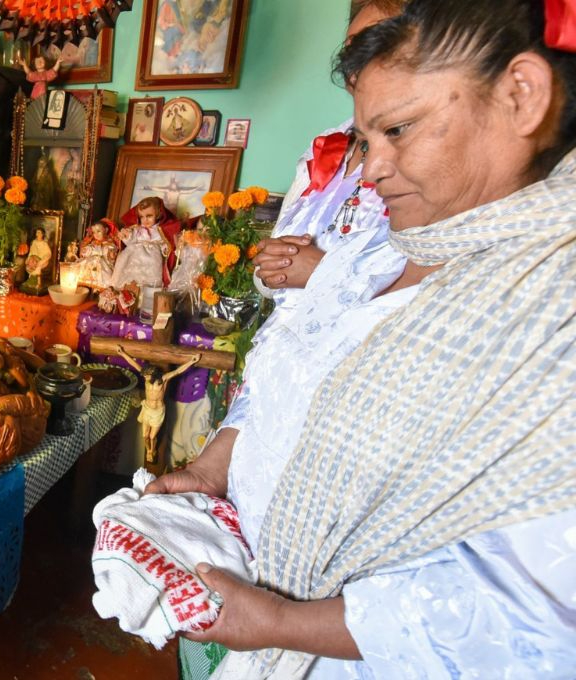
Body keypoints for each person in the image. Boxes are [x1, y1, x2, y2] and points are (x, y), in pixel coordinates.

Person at [149, 0, 576, 677]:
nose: (372, 170)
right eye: (367, 138)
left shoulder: (550, 311)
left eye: (398, 130)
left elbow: (536, 620)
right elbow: (286, 380)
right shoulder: (376, 253)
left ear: (520, 95)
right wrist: (213, 470)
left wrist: (284, 623)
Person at [117, 347, 200, 471]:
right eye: (145, 374)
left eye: (147, 375)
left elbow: (177, 372)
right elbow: (133, 364)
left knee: (152, 437)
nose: (145, 376)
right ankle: (149, 450)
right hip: (147, 409)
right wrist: (122, 353)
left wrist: (192, 361)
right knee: (145, 436)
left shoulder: (163, 380)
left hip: (157, 412)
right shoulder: (146, 378)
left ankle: (152, 450)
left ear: (153, 375)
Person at [109, 197, 173, 289]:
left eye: (149, 216)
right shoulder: (137, 229)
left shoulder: (159, 230)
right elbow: (130, 241)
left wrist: (165, 248)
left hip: (152, 255)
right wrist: (126, 236)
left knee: (150, 273)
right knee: (125, 267)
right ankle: (122, 288)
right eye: (142, 217)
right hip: (134, 252)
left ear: (158, 214)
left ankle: (146, 290)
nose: (145, 220)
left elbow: (164, 243)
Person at [78, 218, 119, 291]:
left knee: (99, 262)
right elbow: (89, 249)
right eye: (94, 232)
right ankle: (86, 286)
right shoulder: (93, 242)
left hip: (104, 265)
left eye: (98, 231)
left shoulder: (110, 243)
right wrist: (86, 250)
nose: (96, 234)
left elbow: (107, 252)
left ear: (106, 230)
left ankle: (98, 289)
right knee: (82, 264)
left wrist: (95, 251)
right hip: (91, 263)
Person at [22, 227, 52, 294]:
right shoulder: (34, 242)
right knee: (29, 264)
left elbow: (48, 254)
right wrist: (28, 258)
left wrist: (42, 260)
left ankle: (38, 283)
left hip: (42, 260)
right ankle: (30, 280)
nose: (38, 234)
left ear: (42, 234)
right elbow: (31, 252)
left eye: (39, 232)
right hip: (34, 259)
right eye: (37, 232)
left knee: (38, 266)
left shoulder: (44, 244)